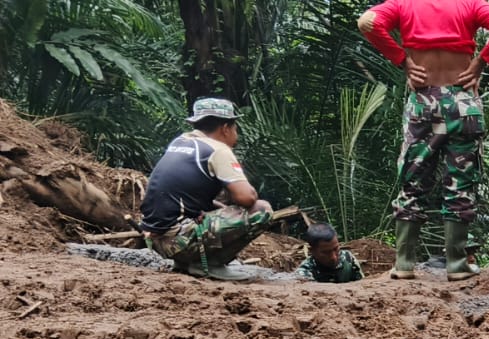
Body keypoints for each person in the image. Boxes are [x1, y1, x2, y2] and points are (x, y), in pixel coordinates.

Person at [358, 0, 489, 282]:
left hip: (424, 100)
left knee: (413, 179)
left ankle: (404, 263)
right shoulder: (470, 4)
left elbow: (367, 22)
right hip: (463, 101)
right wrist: (481, 62)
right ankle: (456, 265)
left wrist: (404, 61)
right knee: (461, 181)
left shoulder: (403, 5)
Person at [138, 98, 273, 282]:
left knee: (216, 210)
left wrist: (213, 209)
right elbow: (247, 198)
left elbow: (182, 196)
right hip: (180, 242)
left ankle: (187, 263)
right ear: (225, 128)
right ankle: (209, 264)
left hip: (157, 241)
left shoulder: (180, 142)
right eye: (235, 128)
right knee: (261, 209)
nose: (236, 133)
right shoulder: (217, 149)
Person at [297, 223, 365, 283]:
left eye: (336, 249)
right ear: (312, 251)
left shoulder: (348, 259)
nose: (333, 257)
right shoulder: (305, 272)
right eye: (325, 252)